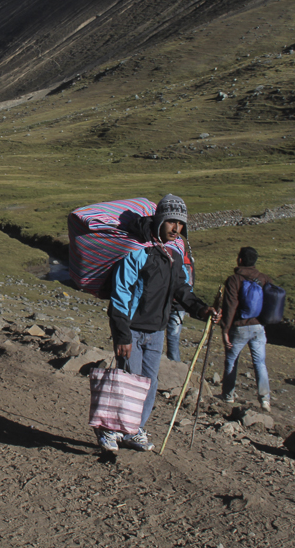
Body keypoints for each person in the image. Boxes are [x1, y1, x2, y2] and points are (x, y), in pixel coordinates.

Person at [98, 194, 220, 453]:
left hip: (156, 332)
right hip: (131, 329)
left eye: (180, 224)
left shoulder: (174, 255)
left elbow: (182, 290)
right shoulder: (136, 252)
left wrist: (201, 309)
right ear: (160, 220)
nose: (176, 229)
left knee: (149, 384)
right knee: (128, 381)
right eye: (171, 222)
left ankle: (133, 429)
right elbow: (120, 295)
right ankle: (109, 429)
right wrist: (121, 335)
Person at [220, 247, 274, 412]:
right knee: (259, 362)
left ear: (240, 260)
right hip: (258, 327)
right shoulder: (264, 279)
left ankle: (228, 396)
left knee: (232, 360)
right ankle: (265, 399)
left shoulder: (234, 280)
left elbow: (230, 307)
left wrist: (225, 330)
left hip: (240, 327)